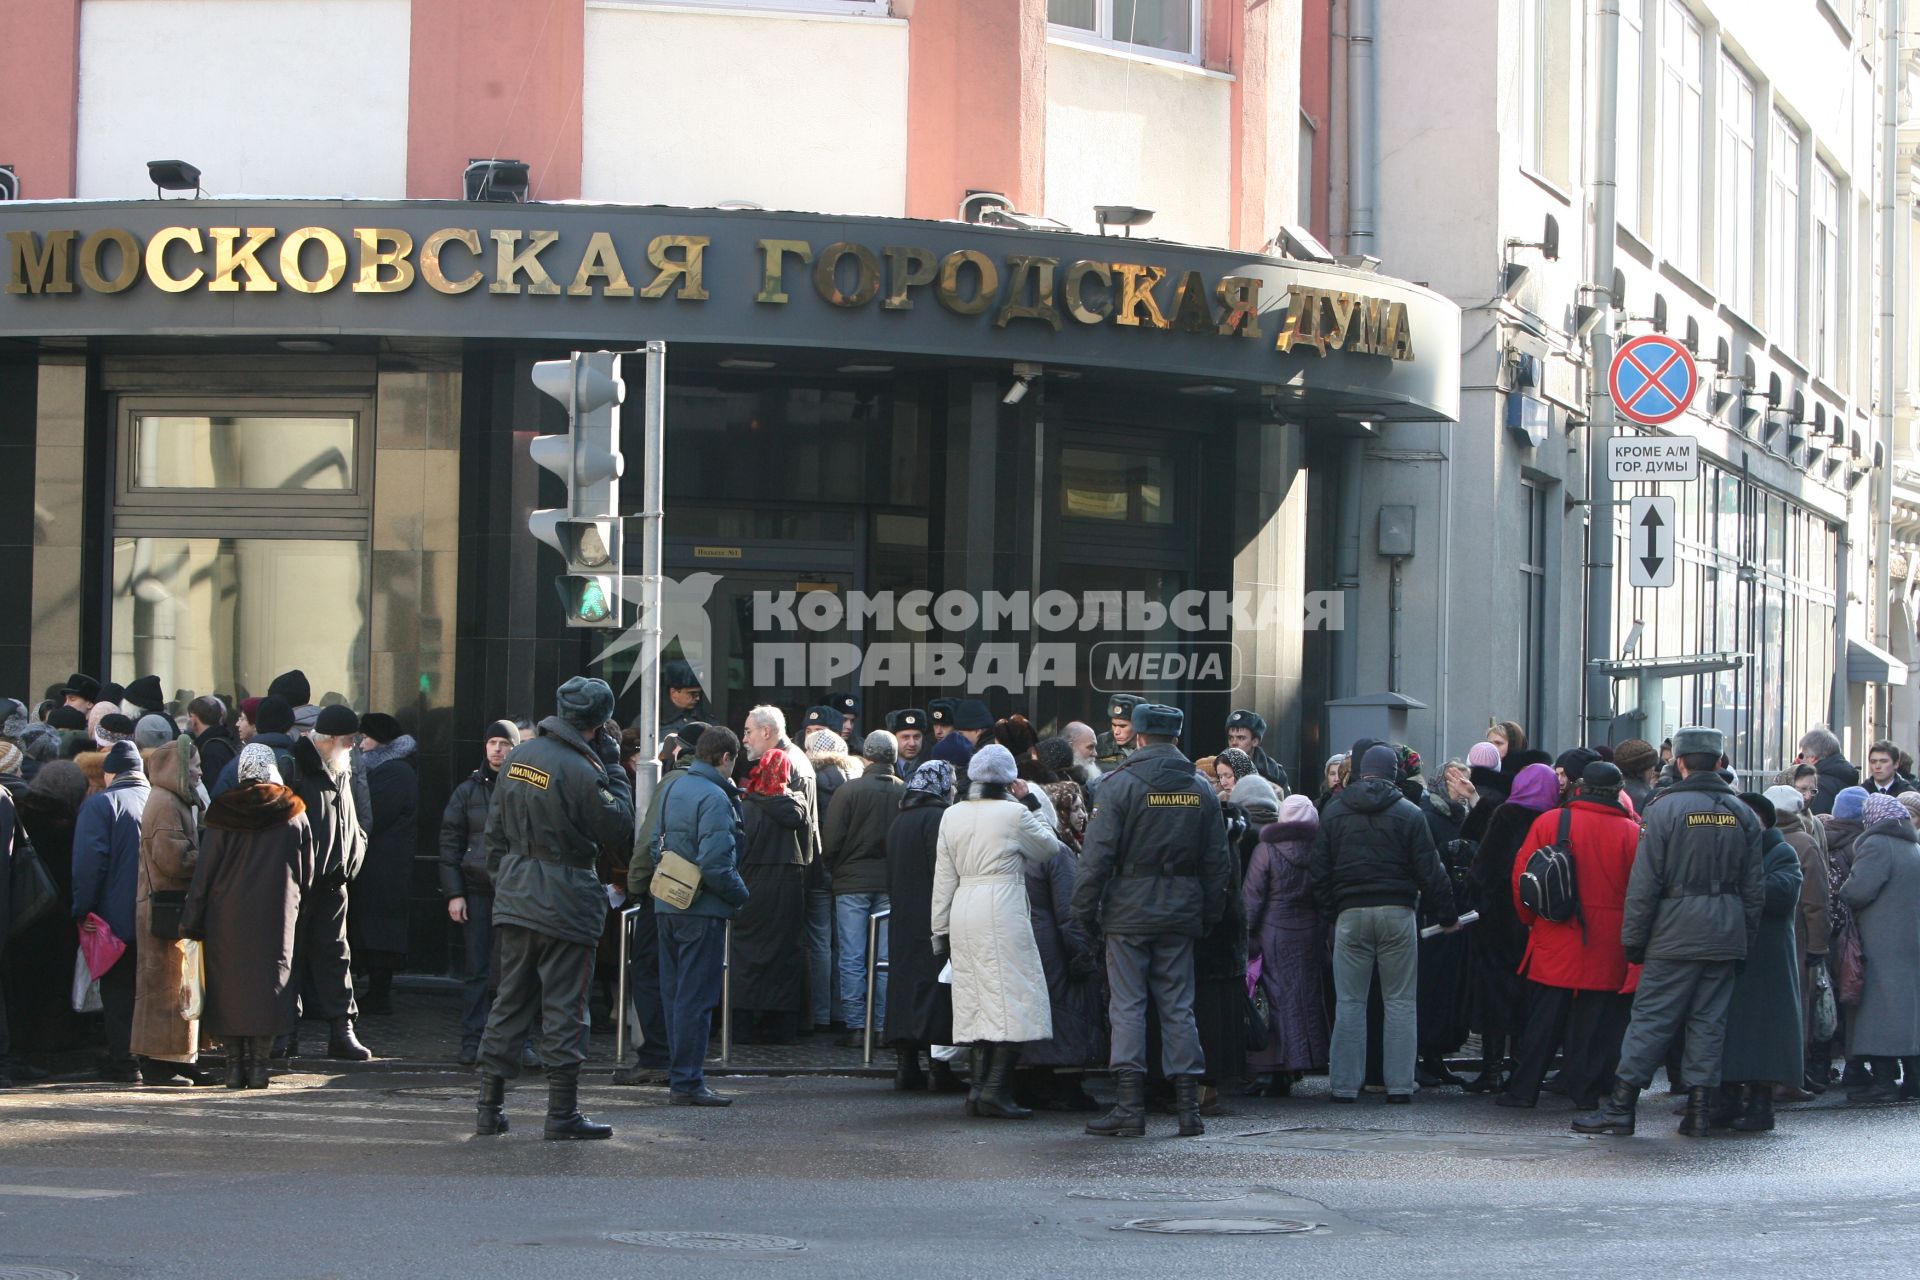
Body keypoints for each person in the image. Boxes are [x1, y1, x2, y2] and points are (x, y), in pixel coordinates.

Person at [1575, 726, 1765, 1139]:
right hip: (1725, 930)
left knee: (1651, 1019)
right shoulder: (1742, 813)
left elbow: (1645, 883)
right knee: (1708, 1022)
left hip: (1675, 929)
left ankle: (1621, 1106)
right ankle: (1699, 1111)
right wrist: (1744, 938)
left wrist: (1634, 938)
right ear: (1719, 763)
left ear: (1678, 762)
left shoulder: (1664, 809)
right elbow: (1754, 889)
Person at [472, 677, 634, 1140]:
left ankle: (489, 1108)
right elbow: (617, 826)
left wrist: (510, 882)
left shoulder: (519, 756)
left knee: (509, 1003)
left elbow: (495, 834)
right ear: (600, 724)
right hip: (566, 901)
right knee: (565, 1008)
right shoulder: (585, 769)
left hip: (518, 898)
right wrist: (615, 768)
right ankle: (561, 1113)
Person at [1074, 703, 1234, 1138]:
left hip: (1128, 911)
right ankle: (1188, 1109)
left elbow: (1096, 859)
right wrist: (1207, 914)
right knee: (1179, 1005)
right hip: (1181, 910)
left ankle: (1130, 1106)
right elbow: (1218, 863)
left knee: (1127, 1005)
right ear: (1176, 739)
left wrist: (1083, 913)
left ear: (1139, 738)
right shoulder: (1199, 788)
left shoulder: (1118, 786)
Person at [1310, 744, 1459, 1105]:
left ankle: (1344, 1087)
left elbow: (1318, 871)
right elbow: (1431, 870)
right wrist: (1447, 915)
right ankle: (1399, 1086)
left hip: (1351, 915)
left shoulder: (1334, 811)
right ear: (1394, 774)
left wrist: (1334, 910)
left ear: (1361, 772)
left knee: (1349, 1002)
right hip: (1397, 912)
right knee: (1401, 1002)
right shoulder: (1408, 813)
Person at [1499, 763, 1641, 1110]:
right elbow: (1643, 891)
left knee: (1543, 1020)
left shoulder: (1551, 822)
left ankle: (1523, 1090)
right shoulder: (1632, 833)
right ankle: (1585, 1093)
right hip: (1609, 942)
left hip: (1556, 934)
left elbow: (1523, 878)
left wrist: (1531, 920)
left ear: (1580, 787)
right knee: (1595, 1023)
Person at [932, 745, 1060, 1121]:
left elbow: (943, 877)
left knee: (975, 1000)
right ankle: (994, 1091)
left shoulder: (951, 814)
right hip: (1002, 906)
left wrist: (939, 929)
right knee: (1013, 999)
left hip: (963, 907)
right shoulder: (1014, 812)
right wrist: (1033, 800)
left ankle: (977, 1089)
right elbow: (1050, 848)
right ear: (1008, 779)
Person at [181, 744, 317, 1089]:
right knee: (268, 987)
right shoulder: (294, 811)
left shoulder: (222, 811)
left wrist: (191, 919)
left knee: (229, 989)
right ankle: (259, 1067)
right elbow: (308, 872)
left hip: (226, 916)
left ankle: (232, 1067)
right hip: (276, 915)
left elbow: (205, 873)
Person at [648, 726, 749, 1107]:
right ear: (725, 758)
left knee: (675, 995)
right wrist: (741, 897)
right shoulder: (716, 798)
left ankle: (682, 1076)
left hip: (667, 902)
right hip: (702, 910)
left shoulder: (675, 787)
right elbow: (717, 863)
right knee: (695, 998)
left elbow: (656, 843)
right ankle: (688, 1082)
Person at [1710, 792, 1804, 1131]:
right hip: (1732, 950)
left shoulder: (1781, 852)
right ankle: (1728, 1098)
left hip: (1767, 957)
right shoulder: (1727, 851)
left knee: (1764, 1034)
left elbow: (1782, 892)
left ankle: (1760, 1105)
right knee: (1729, 1031)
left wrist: (1738, 886)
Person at [284, 705, 372, 1061]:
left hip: (334, 882)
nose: (354, 746)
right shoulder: (295, 767)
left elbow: (355, 819)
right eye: (350, 740)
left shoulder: (342, 769)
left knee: (336, 956)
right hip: (299, 883)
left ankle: (342, 1028)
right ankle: (285, 1031)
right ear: (332, 739)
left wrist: (355, 853)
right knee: (289, 958)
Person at [1466, 761, 1559, 1093]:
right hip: (1540, 921)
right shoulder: (1554, 820)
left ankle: (1491, 1070)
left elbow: (1482, 867)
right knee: (1529, 994)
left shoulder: (1505, 815)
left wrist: (1480, 901)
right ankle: (1522, 1067)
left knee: (1494, 991)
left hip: (1498, 919)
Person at [130, 735, 212, 1086]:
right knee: (166, 986)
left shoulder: (172, 800)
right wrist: (209, 858)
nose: (199, 771)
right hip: (164, 908)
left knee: (178, 984)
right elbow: (172, 859)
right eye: (193, 764)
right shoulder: (165, 803)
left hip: (169, 906)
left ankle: (179, 1056)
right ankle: (161, 1061)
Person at [439, 719, 522, 1066]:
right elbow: (449, 842)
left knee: (516, 972)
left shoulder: (523, 787)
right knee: (476, 971)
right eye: (492, 743)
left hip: (516, 892)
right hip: (476, 890)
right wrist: (453, 893)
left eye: (505, 743)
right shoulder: (467, 791)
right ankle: (472, 1041)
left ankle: (515, 1042)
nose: (498, 749)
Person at [70, 739, 151, 1081]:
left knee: (118, 991)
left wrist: (81, 909)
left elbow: (89, 864)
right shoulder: (159, 801)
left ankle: (124, 1060)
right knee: (149, 988)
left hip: (114, 918)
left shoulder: (102, 805)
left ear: (110, 773)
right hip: (158, 916)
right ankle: (151, 1057)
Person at [883, 759, 965, 1094]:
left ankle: (906, 1067)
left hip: (903, 917)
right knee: (936, 990)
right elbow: (945, 872)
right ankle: (939, 1068)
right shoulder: (940, 818)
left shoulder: (899, 820)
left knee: (904, 988)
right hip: (934, 917)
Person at [732, 710, 813, 1044]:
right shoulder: (796, 801)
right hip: (790, 880)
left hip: (752, 883)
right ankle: (782, 1027)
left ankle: (742, 1026)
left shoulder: (745, 807)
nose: (744, 738)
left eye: (748, 730)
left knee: (745, 953)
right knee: (785, 955)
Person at [1835, 792, 1920, 1102]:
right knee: (1909, 1012)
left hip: (1880, 942)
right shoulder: (1913, 846)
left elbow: (1857, 891)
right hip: (1909, 942)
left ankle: (1883, 1080)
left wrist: (1843, 887)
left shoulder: (1876, 845)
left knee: (1880, 1013)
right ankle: (1913, 1078)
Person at [821, 730, 903, 1047]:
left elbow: (831, 841)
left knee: (852, 956)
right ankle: (881, 1026)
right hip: (888, 883)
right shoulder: (905, 792)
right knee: (884, 958)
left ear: (867, 756)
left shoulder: (848, 791)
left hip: (851, 882)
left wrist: (834, 867)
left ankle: (856, 1026)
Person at [1244, 794, 1329, 1096]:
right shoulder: (1320, 849)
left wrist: (1247, 936)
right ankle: (1300, 1060)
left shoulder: (1265, 850)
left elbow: (1252, 897)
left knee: (1273, 997)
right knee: (1304, 997)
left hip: (1273, 931)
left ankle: (1270, 1067)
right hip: (1309, 931)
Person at [1765, 784, 1832, 1097]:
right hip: (1799, 935)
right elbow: (1816, 901)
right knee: (1797, 1006)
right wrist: (1819, 946)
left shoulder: (1759, 840)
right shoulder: (1805, 843)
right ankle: (1791, 1078)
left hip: (1763, 936)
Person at [350, 712, 417, 1017]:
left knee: (382, 930)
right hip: (378, 864)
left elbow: (373, 814)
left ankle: (379, 994)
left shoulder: (396, 772)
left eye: (365, 738)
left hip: (385, 866)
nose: (360, 745)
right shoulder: (386, 770)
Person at [211, 695, 298, 799]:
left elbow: (217, 804)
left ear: (256, 724)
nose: (237, 724)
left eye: (243, 718)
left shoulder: (238, 764)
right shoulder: (303, 759)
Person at [1224, 709, 1289, 793]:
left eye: (1241, 738)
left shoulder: (1274, 773)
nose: (1234, 743)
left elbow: (1287, 804)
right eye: (1230, 738)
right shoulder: (1213, 767)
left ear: (1255, 741)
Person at [1799, 727, 1859, 816]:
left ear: (1812, 758)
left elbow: (1816, 822)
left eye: (1802, 756)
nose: (1800, 760)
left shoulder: (1818, 785)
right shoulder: (1848, 776)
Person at [186, 696, 237, 787]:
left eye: (190, 716)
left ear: (194, 719)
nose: (187, 720)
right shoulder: (226, 741)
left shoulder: (210, 750)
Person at [1614, 739, 1659, 815]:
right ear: (1647, 769)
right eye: (1652, 767)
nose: (1653, 772)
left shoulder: (1607, 791)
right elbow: (1645, 826)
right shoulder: (1647, 798)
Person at [1093, 694, 1142, 767]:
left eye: (1122, 726)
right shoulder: (1102, 742)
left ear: (1138, 725)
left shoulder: (1151, 746)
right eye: (1114, 725)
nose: (1116, 732)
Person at [887, 708, 929, 781]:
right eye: (905, 737)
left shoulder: (932, 765)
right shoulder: (883, 765)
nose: (912, 743)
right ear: (893, 738)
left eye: (916, 737)